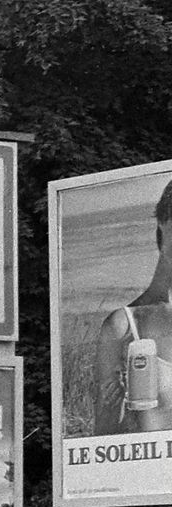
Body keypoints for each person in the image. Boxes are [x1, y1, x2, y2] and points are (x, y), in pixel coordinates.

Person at [88, 180, 172, 436]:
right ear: (162, 222)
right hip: (150, 474)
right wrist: (108, 406)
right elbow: (103, 439)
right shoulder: (123, 325)